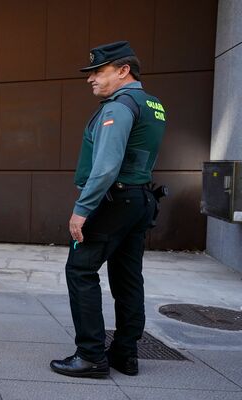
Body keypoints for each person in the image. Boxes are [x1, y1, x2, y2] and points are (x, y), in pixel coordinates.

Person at [50, 41, 165, 378]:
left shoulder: (118, 107)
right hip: (139, 200)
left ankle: (90, 356)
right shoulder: (153, 104)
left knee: (80, 270)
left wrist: (82, 209)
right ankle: (125, 354)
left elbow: (106, 166)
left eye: (98, 72)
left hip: (113, 201)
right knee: (128, 277)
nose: (91, 79)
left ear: (123, 70)